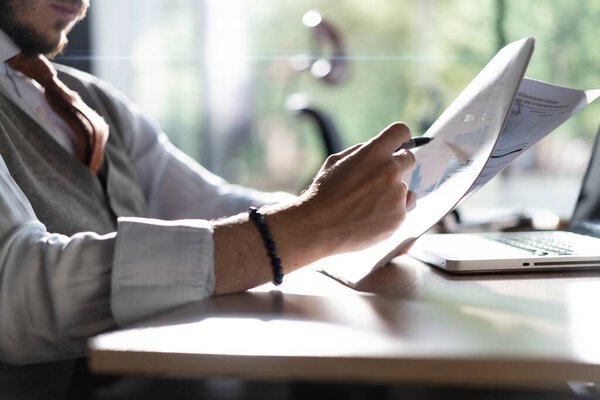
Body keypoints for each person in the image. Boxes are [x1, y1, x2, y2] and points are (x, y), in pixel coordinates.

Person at [0, 0, 415, 398]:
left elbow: (208, 204)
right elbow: (18, 295)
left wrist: (355, 212)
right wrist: (315, 223)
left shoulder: (88, 99)